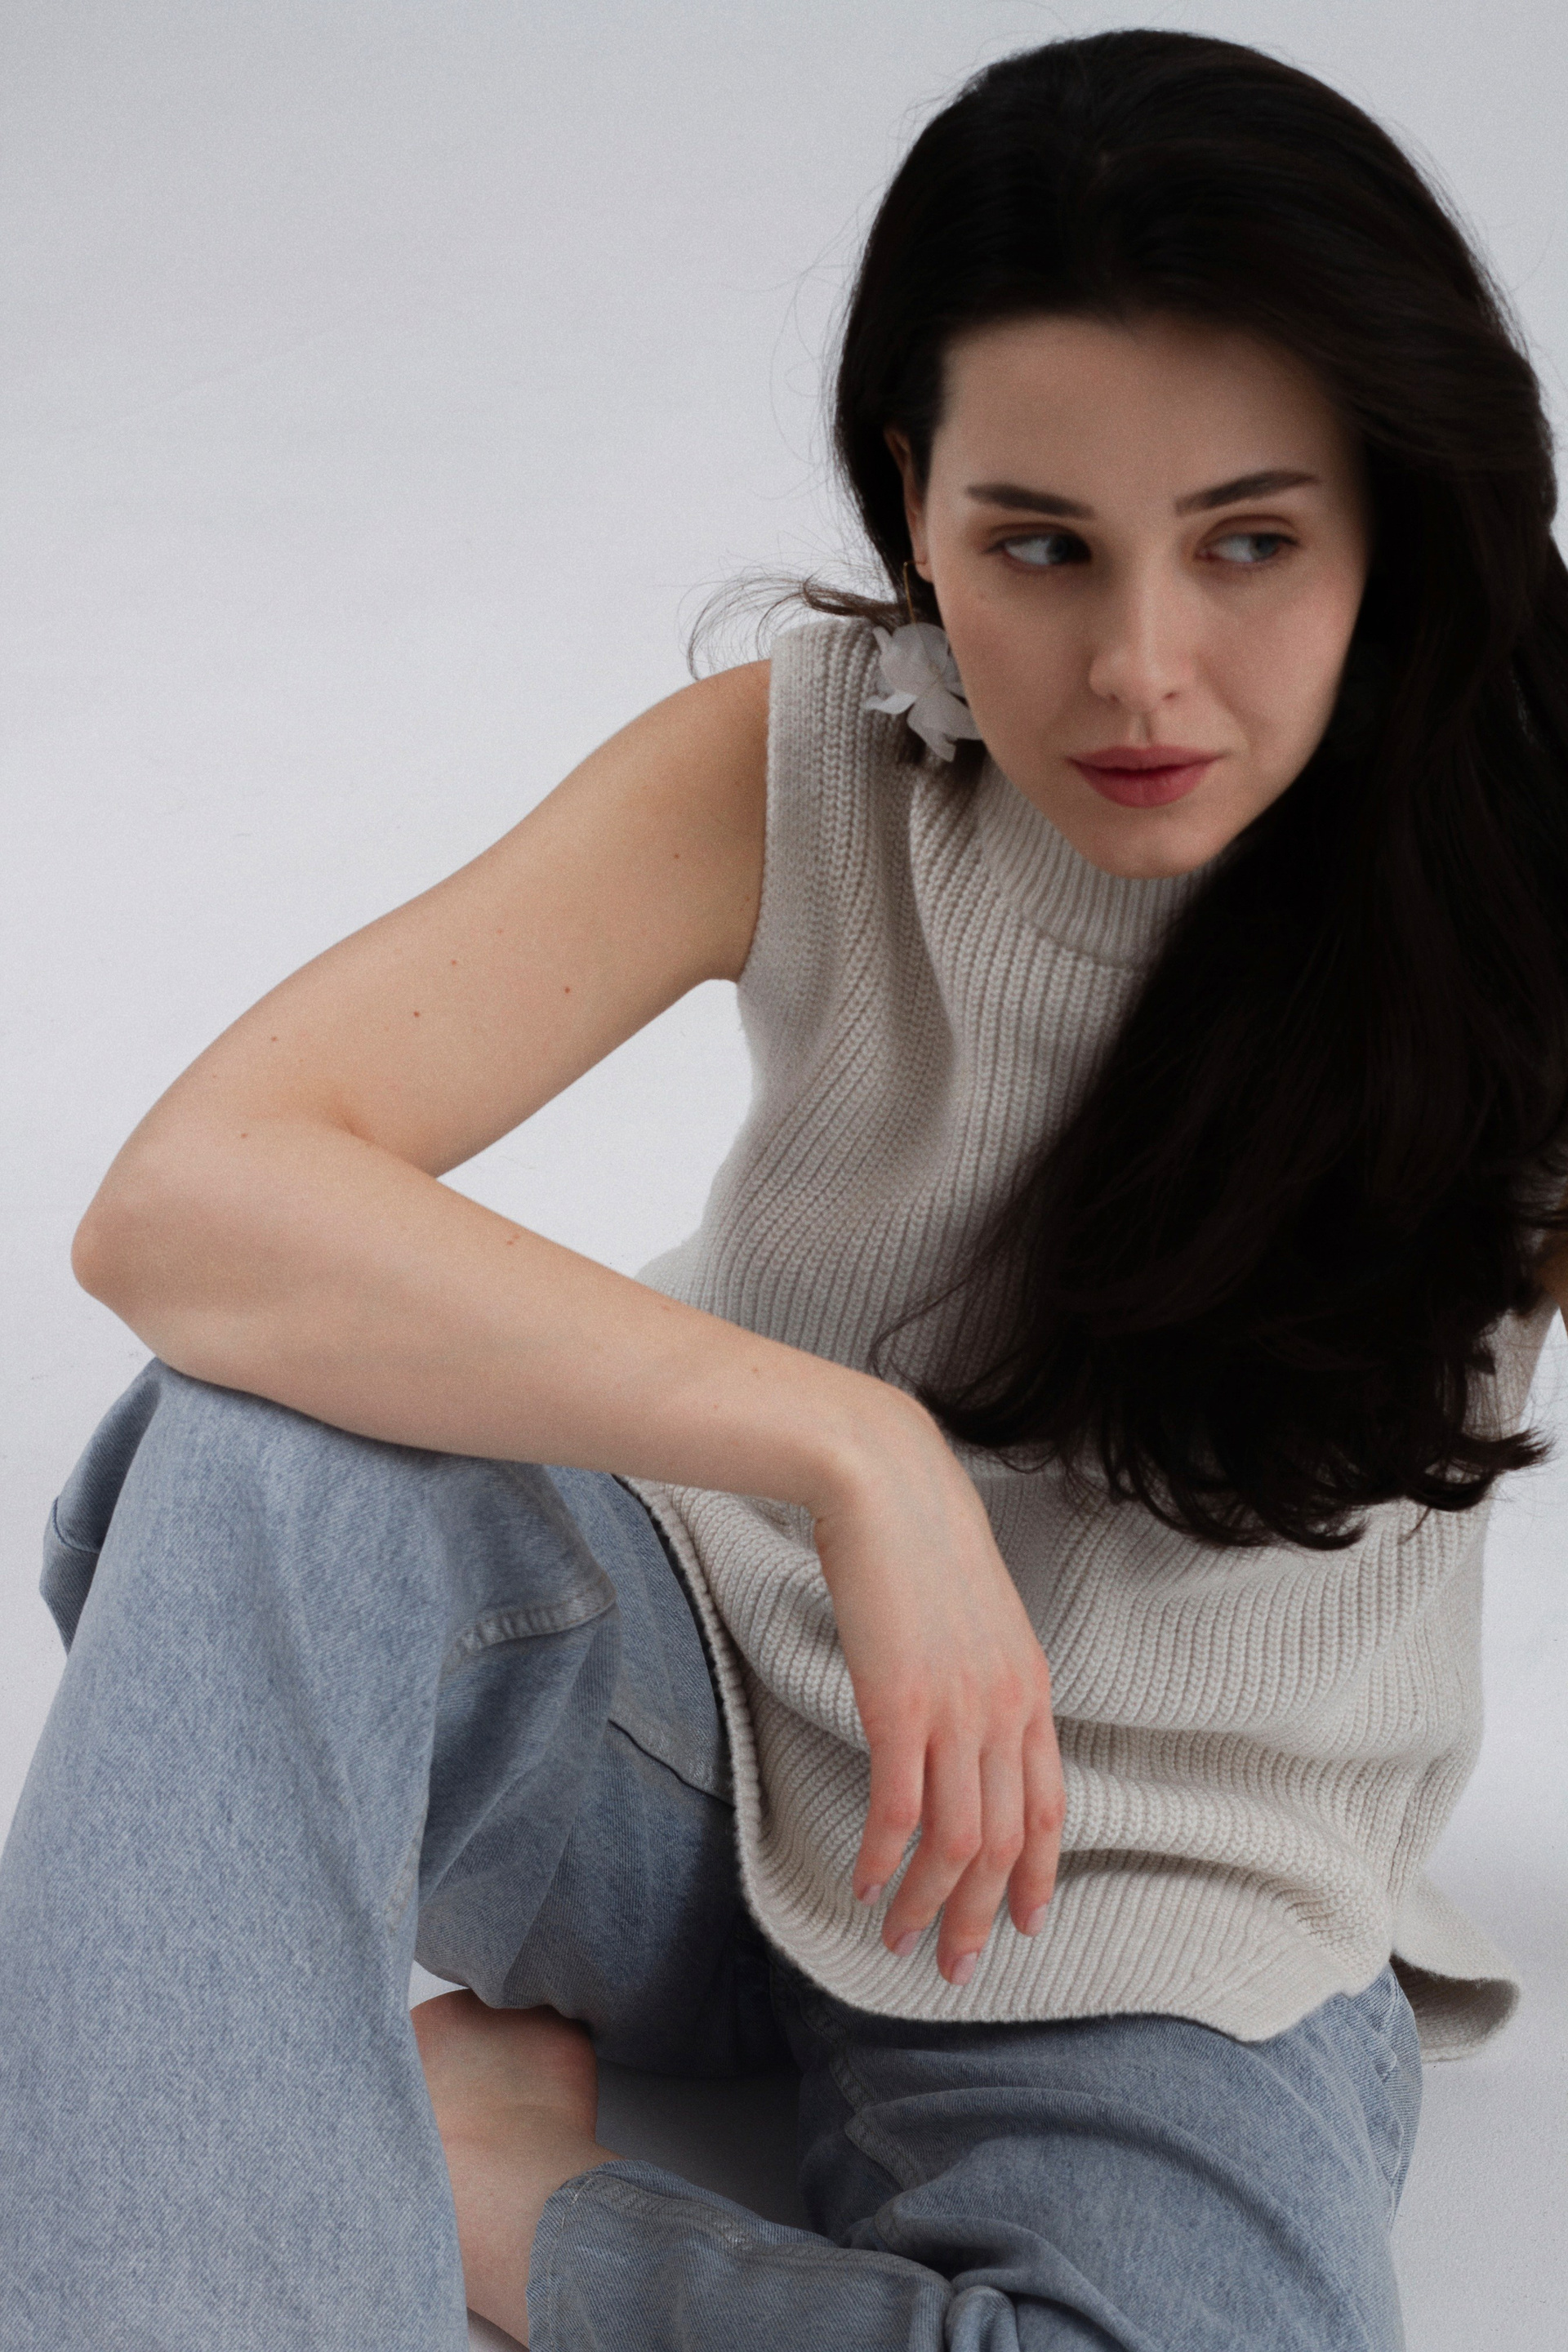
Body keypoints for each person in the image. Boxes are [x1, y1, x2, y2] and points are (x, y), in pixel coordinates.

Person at [3, 25, 1566, 2351]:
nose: (1140, 669)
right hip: (683, 1742)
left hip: (1148, 1916)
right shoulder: (820, 765)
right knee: (255, 1460)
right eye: (1040, 546)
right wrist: (854, 1456)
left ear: (1390, 517)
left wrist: (559, 2235)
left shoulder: (1527, 868)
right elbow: (186, 1206)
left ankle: (511, 2204)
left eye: (1249, 542)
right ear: (915, 503)